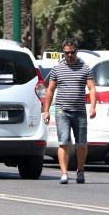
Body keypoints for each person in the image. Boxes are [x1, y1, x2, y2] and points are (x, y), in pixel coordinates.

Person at [42, 39, 97, 184]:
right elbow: (50, 90)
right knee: (64, 142)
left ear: (76, 51)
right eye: (67, 53)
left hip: (79, 111)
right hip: (62, 111)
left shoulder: (85, 68)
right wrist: (46, 111)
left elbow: (91, 88)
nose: (70, 55)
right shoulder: (57, 69)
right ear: (63, 53)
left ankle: (80, 170)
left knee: (81, 144)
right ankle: (64, 173)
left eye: (72, 52)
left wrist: (92, 107)